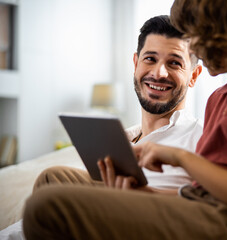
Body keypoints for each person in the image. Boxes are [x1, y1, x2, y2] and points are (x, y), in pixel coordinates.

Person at [22, 1, 227, 239]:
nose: (194, 45)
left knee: (46, 208)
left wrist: (180, 157)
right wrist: (147, 194)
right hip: (206, 212)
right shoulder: (222, 97)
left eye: (196, 33)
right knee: (53, 179)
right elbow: (203, 195)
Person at [0, 15, 203, 239]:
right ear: (135, 64)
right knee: (52, 178)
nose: (158, 73)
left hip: (144, 224)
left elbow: (208, 207)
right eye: (150, 59)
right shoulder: (119, 139)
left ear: (193, 75)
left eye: (174, 63)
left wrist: (142, 195)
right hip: (98, 214)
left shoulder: (200, 136)